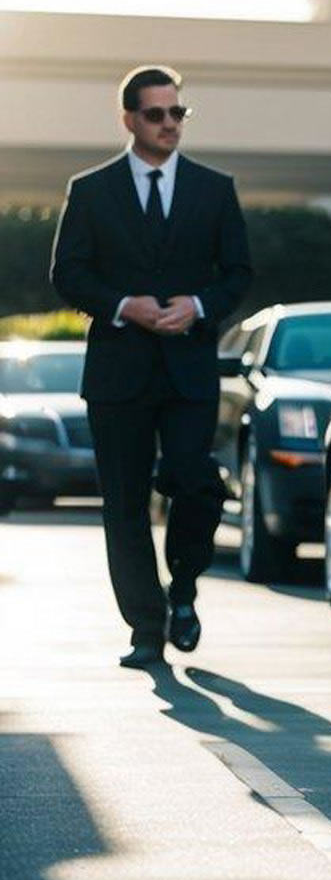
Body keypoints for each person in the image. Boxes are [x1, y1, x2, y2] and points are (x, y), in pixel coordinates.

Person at [49, 66, 253, 669]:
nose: (170, 125)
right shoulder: (90, 191)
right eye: (158, 115)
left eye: (178, 114)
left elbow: (237, 273)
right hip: (118, 372)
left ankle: (183, 590)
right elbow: (68, 272)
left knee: (196, 482)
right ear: (130, 120)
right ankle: (146, 627)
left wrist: (197, 305)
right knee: (125, 504)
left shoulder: (215, 189)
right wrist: (121, 305)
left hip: (189, 369)